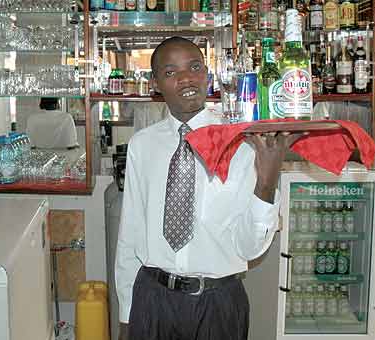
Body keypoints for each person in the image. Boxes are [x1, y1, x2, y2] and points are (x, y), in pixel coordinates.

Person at [115, 36, 301, 340]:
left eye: (195, 66)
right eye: (170, 71)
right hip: (152, 300)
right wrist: (126, 315)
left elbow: (250, 249)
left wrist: (267, 180)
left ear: (208, 75)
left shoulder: (242, 142)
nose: (186, 77)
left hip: (218, 304)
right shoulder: (142, 145)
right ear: (155, 84)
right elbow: (130, 236)